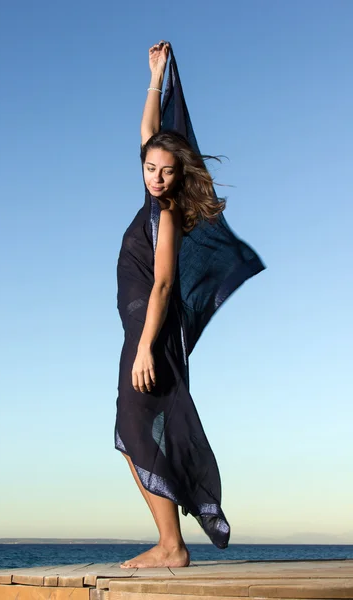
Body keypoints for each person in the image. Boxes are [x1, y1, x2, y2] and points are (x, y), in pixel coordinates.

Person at [115, 41, 265, 569]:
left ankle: (171, 545)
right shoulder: (152, 199)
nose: (156, 177)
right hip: (141, 335)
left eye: (166, 171)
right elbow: (148, 132)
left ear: (180, 176)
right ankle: (169, 541)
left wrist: (145, 350)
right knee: (133, 431)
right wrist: (155, 75)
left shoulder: (169, 215)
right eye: (150, 168)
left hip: (149, 336)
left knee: (136, 429)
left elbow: (160, 286)